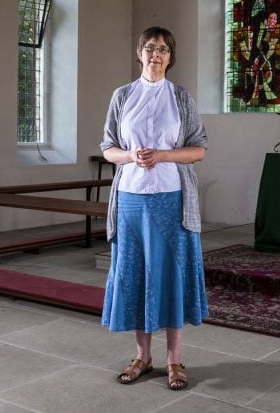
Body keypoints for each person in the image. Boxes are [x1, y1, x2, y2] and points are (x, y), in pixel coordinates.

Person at [100, 26, 208, 391]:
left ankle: (174, 360)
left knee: (170, 275)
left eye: (162, 49)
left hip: (171, 199)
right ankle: (141, 357)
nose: (155, 54)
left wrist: (162, 155)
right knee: (136, 275)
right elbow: (108, 148)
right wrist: (131, 155)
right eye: (149, 47)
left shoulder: (180, 97)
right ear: (139, 53)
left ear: (171, 56)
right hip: (130, 199)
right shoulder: (123, 95)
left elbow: (198, 149)